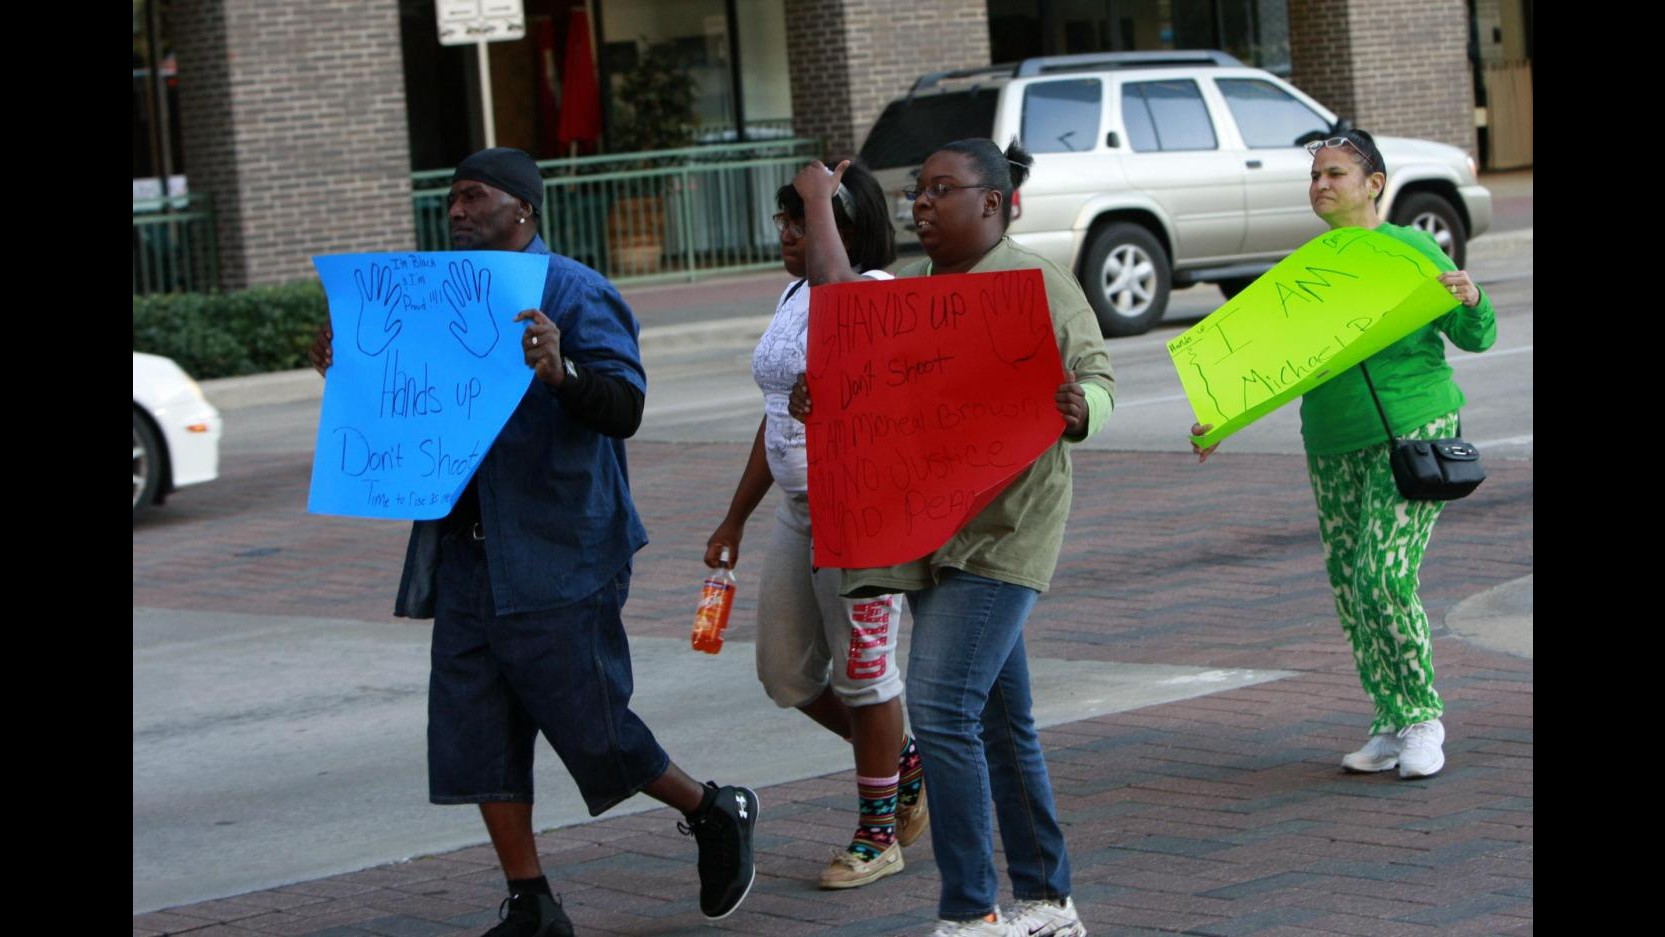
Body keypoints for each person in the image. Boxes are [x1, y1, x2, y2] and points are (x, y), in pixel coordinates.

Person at [309, 147, 758, 937]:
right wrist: (347, 372)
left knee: (590, 722)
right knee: (474, 729)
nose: (455, 211)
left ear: (523, 209)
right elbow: (406, 406)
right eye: (450, 198)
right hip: (466, 553)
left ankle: (713, 808)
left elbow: (624, 407)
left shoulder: (573, 292)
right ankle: (532, 901)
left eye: (473, 195)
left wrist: (562, 371)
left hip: (561, 548)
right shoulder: (429, 297)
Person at [791, 139, 1111, 937]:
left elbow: (1099, 377)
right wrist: (824, 394)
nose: (922, 207)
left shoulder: (1037, 281)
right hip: (930, 532)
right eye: (917, 194)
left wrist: (1082, 411)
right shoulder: (913, 293)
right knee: (1002, 723)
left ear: (994, 203)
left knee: (938, 711)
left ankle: (971, 911)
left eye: (941, 191)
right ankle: (1046, 900)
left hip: (1004, 534)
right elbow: (879, 393)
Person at [1190, 128, 1496, 781]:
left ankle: (1421, 717)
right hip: (1331, 440)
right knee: (1350, 589)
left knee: (1381, 576)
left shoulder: (1409, 246)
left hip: (1411, 428)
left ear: (1373, 184)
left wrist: (1471, 297)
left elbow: (1475, 333)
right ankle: (1388, 716)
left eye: (1334, 173)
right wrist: (1221, 417)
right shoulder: (1309, 266)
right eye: (1315, 176)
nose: (1321, 185)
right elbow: (1276, 363)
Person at [702, 158, 928, 891]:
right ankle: (905, 762)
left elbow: (845, 313)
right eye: (787, 219)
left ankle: (876, 832)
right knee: (785, 672)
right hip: (802, 509)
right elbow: (773, 417)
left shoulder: (869, 293)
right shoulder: (796, 291)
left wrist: (819, 195)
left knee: (865, 676)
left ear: (840, 224)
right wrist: (735, 514)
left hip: (860, 508)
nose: (785, 233)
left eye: (797, 219)